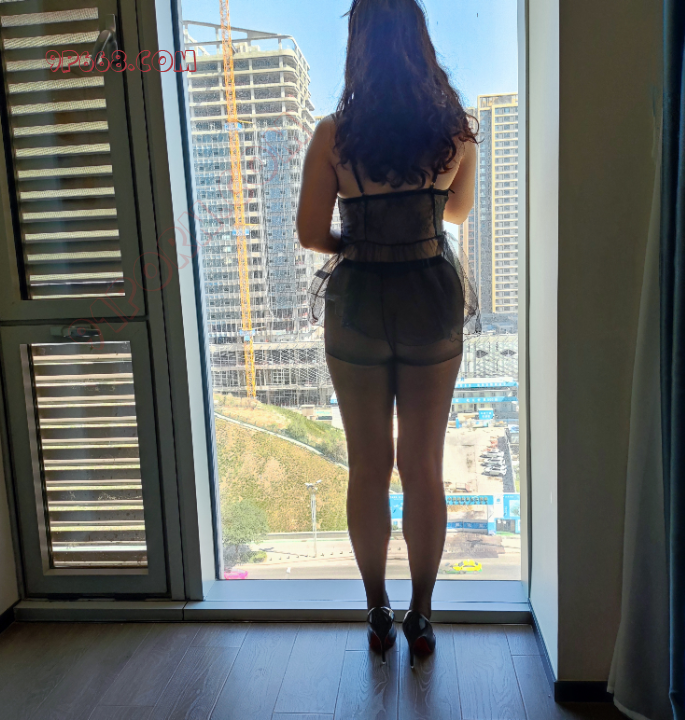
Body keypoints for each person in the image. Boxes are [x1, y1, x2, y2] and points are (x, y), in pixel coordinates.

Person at [296, 0, 480, 668]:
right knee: (423, 466)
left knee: (368, 466)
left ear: (358, 47)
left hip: (360, 303)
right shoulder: (455, 134)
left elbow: (311, 234)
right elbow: (457, 212)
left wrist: (360, 240)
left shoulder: (333, 136)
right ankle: (420, 615)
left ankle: (376, 609)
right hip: (431, 298)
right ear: (422, 45)